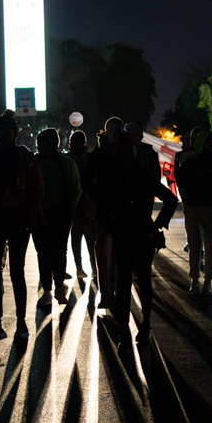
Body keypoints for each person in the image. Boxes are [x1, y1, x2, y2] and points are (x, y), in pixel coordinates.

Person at [106, 130, 178, 344]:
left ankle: (125, 327)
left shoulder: (116, 175)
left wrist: (110, 225)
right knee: (142, 280)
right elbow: (170, 200)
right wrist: (156, 225)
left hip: (124, 231)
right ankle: (143, 324)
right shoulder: (144, 174)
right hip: (141, 231)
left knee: (126, 281)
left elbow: (103, 203)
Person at [0, 109, 44, 342]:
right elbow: (37, 190)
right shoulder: (25, 157)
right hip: (18, 219)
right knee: (16, 272)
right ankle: (20, 323)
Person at [175, 131, 212, 295]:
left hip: (193, 207)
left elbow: (181, 180)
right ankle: (207, 283)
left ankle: (195, 281)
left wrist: (187, 199)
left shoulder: (189, 160)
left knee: (195, 246)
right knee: (211, 248)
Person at [35, 128, 82, 306]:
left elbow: (76, 189)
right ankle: (53, 290)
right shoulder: (63, 163)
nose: (41, 147)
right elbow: (76, 189)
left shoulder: (61, 163)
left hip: (55, 213)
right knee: (51, 252)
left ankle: (53, 290)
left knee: (51, 252)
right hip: (51, 213)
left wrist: (68, 208)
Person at [81, 117, 124, 308]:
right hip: (104, 208)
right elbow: (86, 182)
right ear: (105, 132)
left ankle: (118, 290)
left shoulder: (126, 152)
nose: (114, 132)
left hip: (122, 208)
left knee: (120, 250)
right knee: (104, 250)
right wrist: (99, 194)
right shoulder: (98, 154)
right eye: (111, 129)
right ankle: (106, 292)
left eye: (117, 128)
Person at [67, 130, 96, 280]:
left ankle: (92, 266)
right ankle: (80, 266)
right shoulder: (68, 158)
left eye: (75, 142)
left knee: (89, 236)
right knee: (78, 234)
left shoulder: (88, 158)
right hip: (74, 202)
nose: (72, 144)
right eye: (72, 142)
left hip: (86, 200)